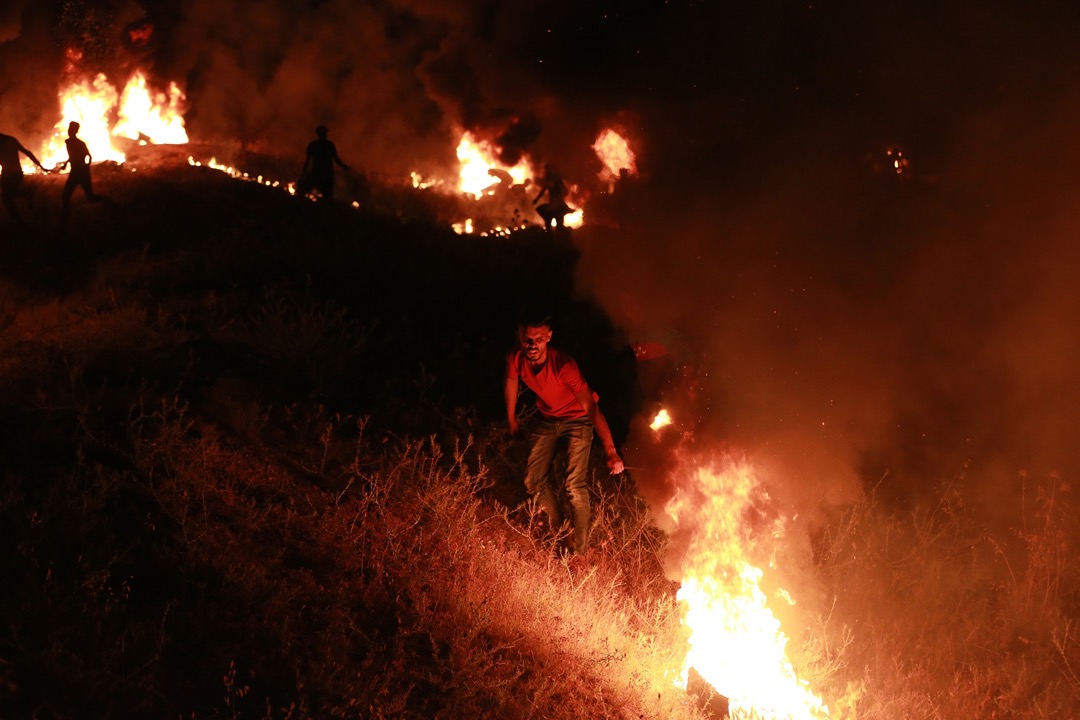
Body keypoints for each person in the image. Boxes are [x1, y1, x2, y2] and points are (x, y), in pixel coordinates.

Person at [505, 309, 625, 555]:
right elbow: (511, 380)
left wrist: (611, 451)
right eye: (528, 339)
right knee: (533, 480)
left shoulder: (564, 365)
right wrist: (511, 419)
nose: (532, 345)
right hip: (547, 418)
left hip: (577, 419)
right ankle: (563, 533)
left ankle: (579, 553)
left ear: (549, 337)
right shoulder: (516, 358)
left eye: (538, 339)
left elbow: (591, 407)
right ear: (519, 336)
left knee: (574, 484)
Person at [58, 121, 111, 225]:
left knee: (88, 197)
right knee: (67, 195)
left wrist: (86, 166)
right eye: (69, 129)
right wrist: (67, 164)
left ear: (75, 131)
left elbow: (88, 155)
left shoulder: (79, 143)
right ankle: (64, 217)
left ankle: (109, 203)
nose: (70, 131)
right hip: (78, 172)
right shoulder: (68, 142)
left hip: (80, 172)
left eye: (72, 129)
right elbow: (73, 156)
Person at [0, 132, 48, 222]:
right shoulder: (10, 139)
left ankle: (17, 221)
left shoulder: (8, 140)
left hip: (10, 173)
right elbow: (27, 152)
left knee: (7, 197)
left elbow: (27, 152)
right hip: (15, 172)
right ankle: (26, 195)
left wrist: (41, 167)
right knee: (9, 195)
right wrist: (41, 167)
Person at [298, 125, 350, 202]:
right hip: (326, 174)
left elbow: (307, 162)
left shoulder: (313, 145)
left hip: (317, 173)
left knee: (308, 193)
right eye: (325, 133)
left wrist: (303, 175)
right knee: (327, 196)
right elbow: (336, 159)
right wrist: (343, 166)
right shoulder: (329, 144)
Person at [532, 165, 572, 230]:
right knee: (551, 222)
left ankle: (557, 234)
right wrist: (536, 199)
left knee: (557, 223)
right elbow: (543, 190)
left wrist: (559, 197)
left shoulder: (557, 181)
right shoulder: (551, 181)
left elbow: (566, 191)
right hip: (554, 203)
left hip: (557, 203)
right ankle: (552, 235)